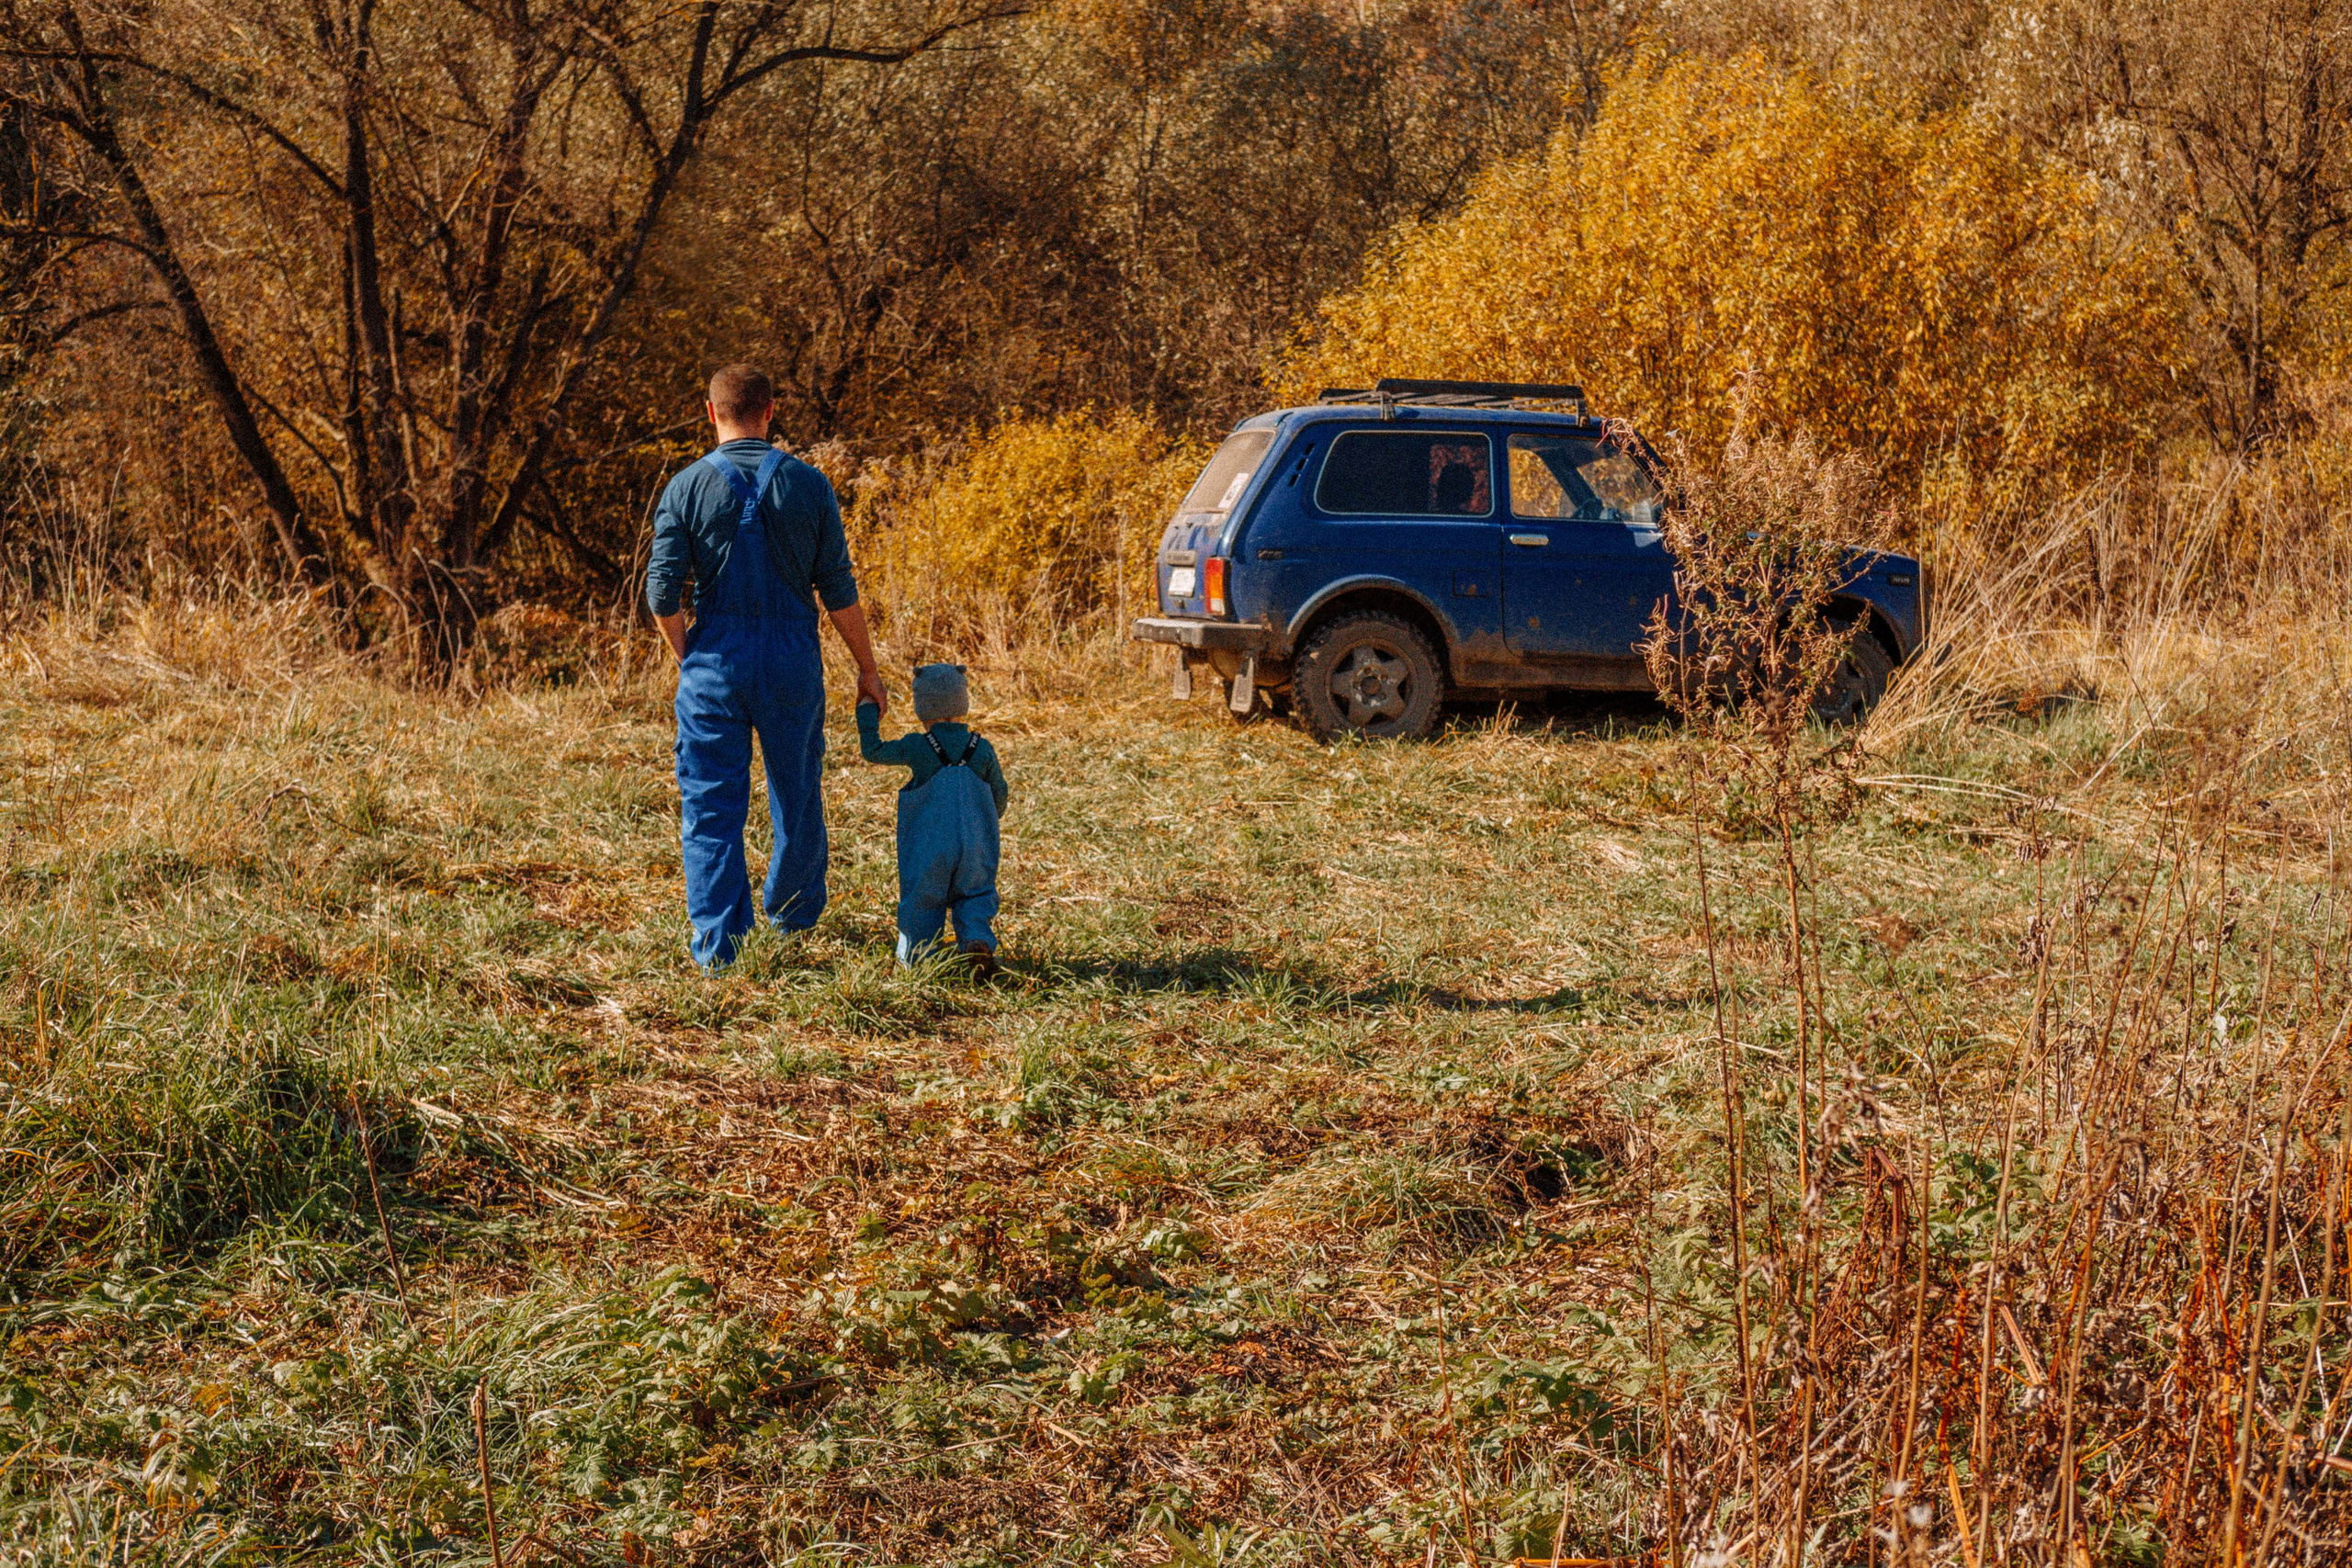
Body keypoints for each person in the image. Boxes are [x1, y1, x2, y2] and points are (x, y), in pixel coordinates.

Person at [648, 364, 888, 969]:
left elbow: (661, 594)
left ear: (710, 413)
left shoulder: (684, 488)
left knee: (710, 803)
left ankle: (718, 947)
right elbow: (837, 589)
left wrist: (688, 655)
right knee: (798, 792)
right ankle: (792, 923)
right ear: (771, 411)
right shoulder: (810, 485)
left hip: (714, 663)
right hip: (790, 661)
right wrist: (867, 668)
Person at [857, 663, 1009, 976]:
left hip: (930, 845)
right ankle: (976, 941)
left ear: (921, 707)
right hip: (977, 844)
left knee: (923, 899)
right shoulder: (982, 749)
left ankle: (917, 962)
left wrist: (867, 710)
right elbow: (1000, 795)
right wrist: (985, 822)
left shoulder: (918, 747)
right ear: (961, 704)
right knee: (976, 894)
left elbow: (873, 751)